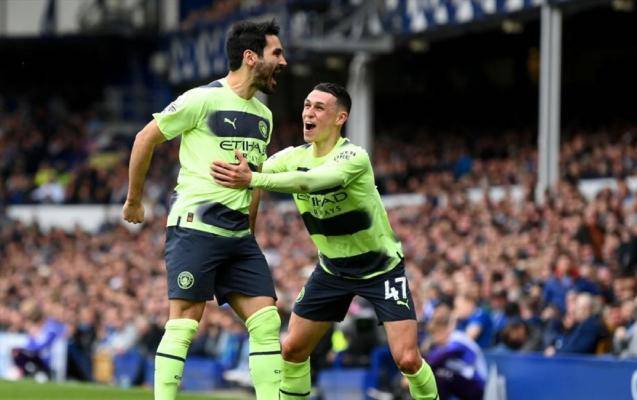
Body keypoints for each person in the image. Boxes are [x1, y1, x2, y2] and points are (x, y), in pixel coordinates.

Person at [211, 82, 438, 399]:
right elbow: (251, 171)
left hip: (381, 269)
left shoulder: (353, 156)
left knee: (408, 359)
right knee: (292, 349)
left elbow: (310, 181)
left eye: (319, 107)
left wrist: (253, 178)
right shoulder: (292, 157)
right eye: (307, 105)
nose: (309, 112)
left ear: (340, 117)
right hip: (332, 271)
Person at [122, 19, 287, 400]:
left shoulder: (264, 116)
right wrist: (134, 199)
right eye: (276, 53)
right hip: (196, 227)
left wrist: (250, 231)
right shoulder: (202, 99)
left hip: (239, 237)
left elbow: (254, 179)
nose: (283, 61)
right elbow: (145, 138)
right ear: (251, 57)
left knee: (266, 321)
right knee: (184, 321)